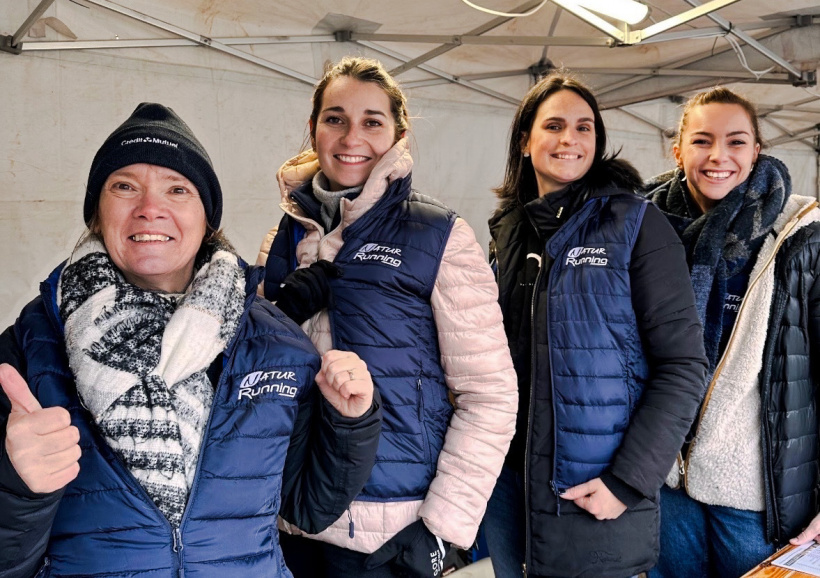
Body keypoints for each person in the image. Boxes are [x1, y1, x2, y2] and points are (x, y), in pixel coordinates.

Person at [0, 102, 383, 578]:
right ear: (97, 212)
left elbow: (306, 508)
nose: (150, 209)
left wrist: (351, 422)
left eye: (177, 189)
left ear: (207, 219)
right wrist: (14, 484)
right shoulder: (29, 351)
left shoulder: (275, 345)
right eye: (124, 187)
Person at [256, 56, 517, 577]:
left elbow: (490, 394)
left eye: (372, 121)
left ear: (398, 132)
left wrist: (442, 526)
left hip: (393, 531)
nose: (352, 136)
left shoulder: (438, 234)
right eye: (335, 118)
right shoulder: (282, 238)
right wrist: (277, 314)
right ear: (313, 129)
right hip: (288, 521)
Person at [483, 71, 709, 578]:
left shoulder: (637, 225)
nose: (570, 139)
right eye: (555, 125)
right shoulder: (508, 232)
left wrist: (626, 483)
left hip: (590, 493)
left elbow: (684, 366)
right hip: (505, 490)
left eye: (585, 128)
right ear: (525, 141)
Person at [645, 87, 820, 577]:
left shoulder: (801, 234)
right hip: (665, 480)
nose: (718, 156)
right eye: (702, 141)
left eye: (736, 142)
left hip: (753, 493)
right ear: (677, 151)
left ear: (757, 150)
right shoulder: (646, 230)